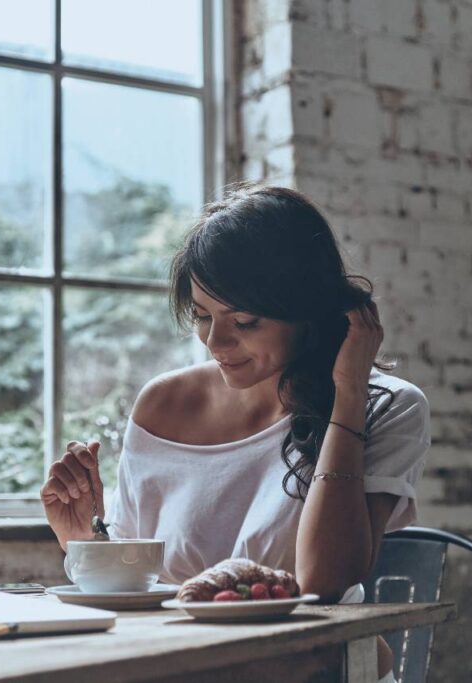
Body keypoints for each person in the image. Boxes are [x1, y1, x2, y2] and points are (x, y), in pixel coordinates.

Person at [42, 184, 430, 682]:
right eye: (202, 316)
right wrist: (83, 535)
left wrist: (349, 392)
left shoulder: (386, 406)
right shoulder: (165, 405)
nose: (215, 342)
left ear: (307, 311)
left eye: (244, 321)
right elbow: (143, 586)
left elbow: (323, 582)